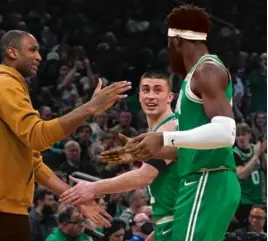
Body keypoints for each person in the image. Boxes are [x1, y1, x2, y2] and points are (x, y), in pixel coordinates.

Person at [0, 30, 131, 241]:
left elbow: (34, 163)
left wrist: (76, 197)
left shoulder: (4, 85)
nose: (39, 57)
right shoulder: (4, 85)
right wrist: (89, 109)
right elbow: (38, 136)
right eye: (32, 50)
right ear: (12, 52)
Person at [101, 5, 241, 241]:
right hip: (196, 179)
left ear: (176, 41)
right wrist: (145, 151)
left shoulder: (206, 70)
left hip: (209, 177)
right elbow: (190, 146)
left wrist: (164, 137)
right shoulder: (193, 77)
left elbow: (227, 132)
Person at [61, 72, 178, 241]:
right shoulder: (158, 128)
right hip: (168, 221)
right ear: (139, 96)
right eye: (146, 90)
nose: (150, 96)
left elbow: (144, 176)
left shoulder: (168, 127)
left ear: (169, 97)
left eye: (157, 90)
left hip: (177, 221)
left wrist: (92, 188)